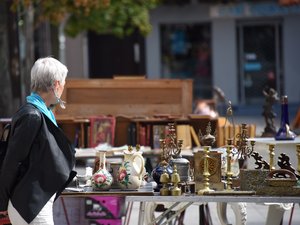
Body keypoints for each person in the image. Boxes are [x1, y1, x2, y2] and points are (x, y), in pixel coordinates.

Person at [0, 57, 77, 224]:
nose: (63, 87)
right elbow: (12, 162)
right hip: (28, 205)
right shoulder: (32, 116)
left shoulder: (39, 113)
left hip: (34, 203)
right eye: (63, 82)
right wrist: (2, 201)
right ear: (56, 84)